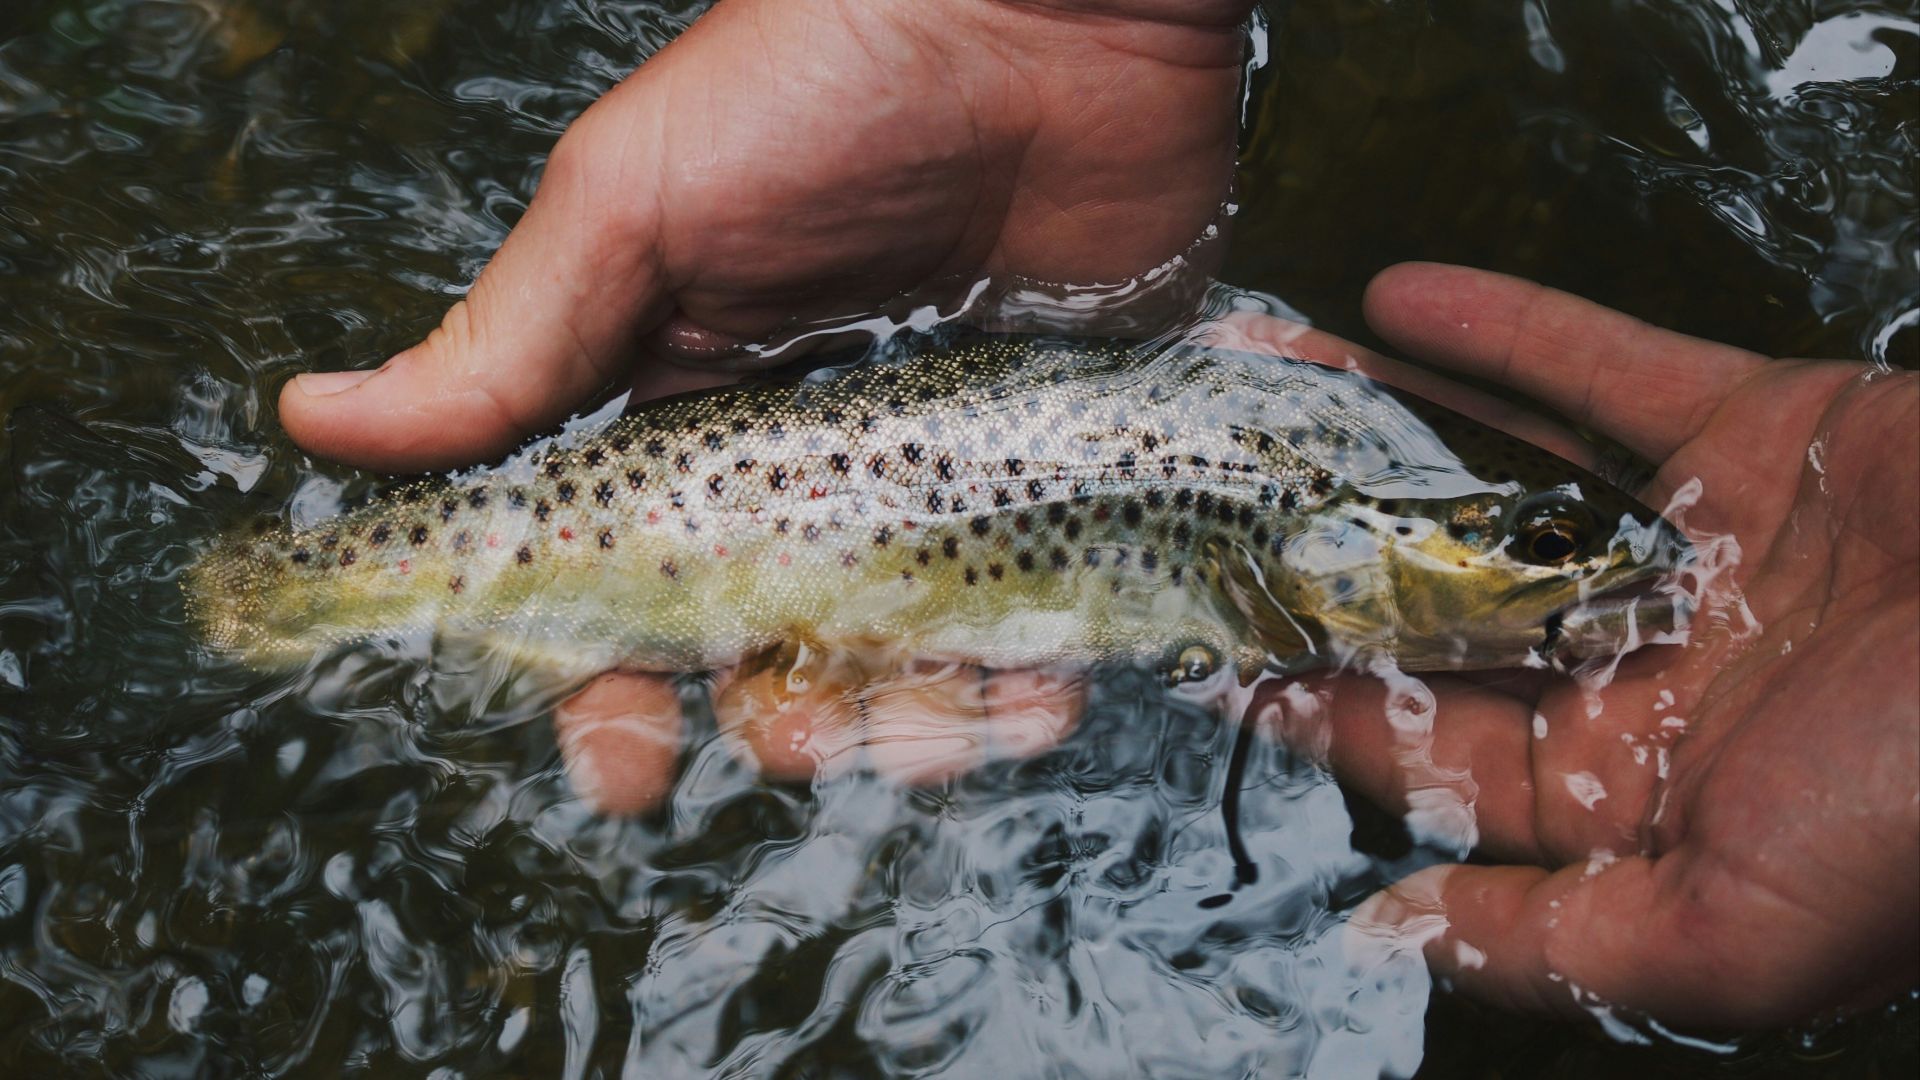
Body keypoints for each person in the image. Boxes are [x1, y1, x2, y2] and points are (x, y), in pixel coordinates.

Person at [275, 0, 1918, 1033]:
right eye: (1549, 550)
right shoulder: (1299, 507)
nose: (1614, 577)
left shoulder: (1308, 499)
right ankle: (288, 607)